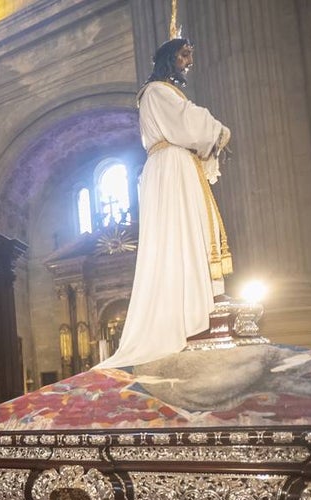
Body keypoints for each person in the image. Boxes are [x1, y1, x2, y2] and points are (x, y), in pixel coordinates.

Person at [98, 36, 231, 370]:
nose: (188, 62)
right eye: (184, 55)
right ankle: (185, 311)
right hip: (171, 167)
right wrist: (218, 130)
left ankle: (200, 303)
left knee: (191, 230)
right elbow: (188, 120)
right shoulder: (157, 91)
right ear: (170, 57)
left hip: (175, 167)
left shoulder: (161, 92)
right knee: (179, 234)